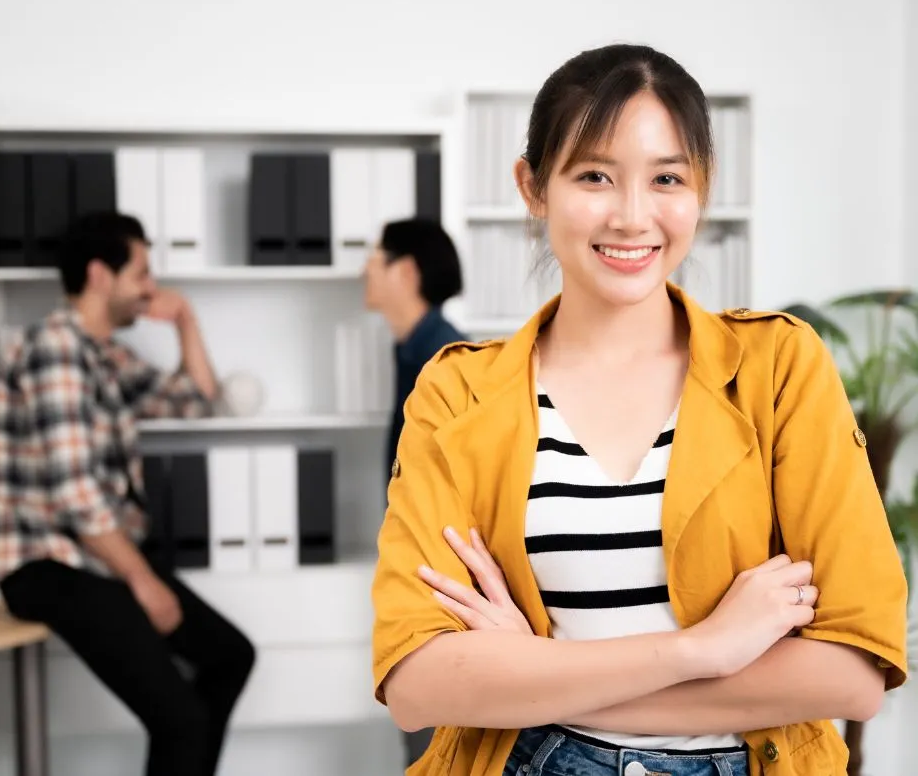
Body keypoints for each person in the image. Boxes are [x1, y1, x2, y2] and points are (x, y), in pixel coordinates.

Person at [371, 44, 908, 776]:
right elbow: (417, 684)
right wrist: (698, 651)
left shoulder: (779, 371)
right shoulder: (457, 393)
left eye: (666, 179)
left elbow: (849, 674)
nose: (631, 216)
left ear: (702, 189)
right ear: (533, 187)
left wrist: (538, 674)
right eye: (594, 176)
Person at [0, 212, 256, 776]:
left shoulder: (103, 355)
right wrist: (143, 581)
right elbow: (77, 495)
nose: (152, 289)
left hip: (97, 558)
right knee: (179, 721)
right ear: (100, 275)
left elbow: (198, 400)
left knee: (230, 658)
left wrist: (185, 322)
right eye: (142, 273)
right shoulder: (54, 349)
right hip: (51, 566)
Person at [362, 217, 466, 766]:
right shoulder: (413, 351)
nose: (363, 270)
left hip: (441, 591)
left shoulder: (444, 362)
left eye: (374, 257)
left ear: (405, 272)